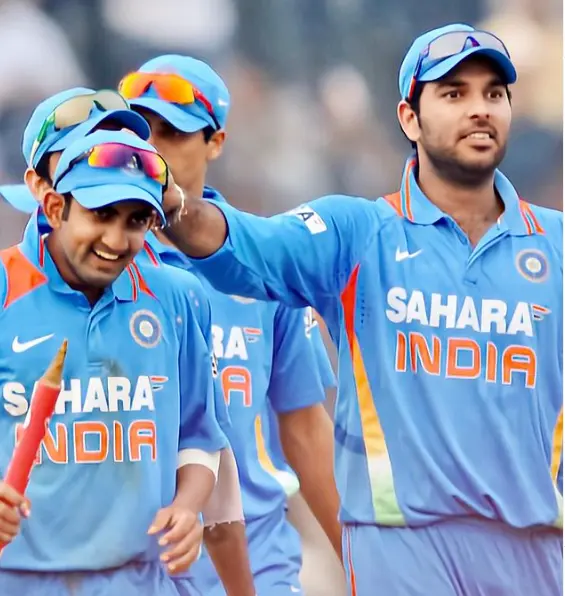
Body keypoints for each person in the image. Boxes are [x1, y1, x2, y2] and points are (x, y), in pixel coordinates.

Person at [153, 24, 563, 595]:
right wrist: (175, 207)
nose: (479, 109)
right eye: (454, 94)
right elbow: (246, 246)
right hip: (400, 544)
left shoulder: (556, 248)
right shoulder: (357, 232)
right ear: (409, 118)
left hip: (535, 548)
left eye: (494, 94)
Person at [1, 87, 254, 595]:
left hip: (145, 581)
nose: (116, 242)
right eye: (99, 214)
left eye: (136, 220)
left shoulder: (178, 297)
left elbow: (200, 437)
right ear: (50, 200)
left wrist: (186, 507)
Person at [119, 56, 342, 596]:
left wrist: (358, 555)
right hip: (135, 566)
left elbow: (305, 428)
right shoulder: (105, 261)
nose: (154, 146)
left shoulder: (262, 264)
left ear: (215, 142)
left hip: (258, 563)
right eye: (141, 129)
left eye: (174, 131)